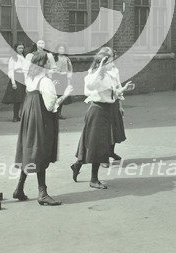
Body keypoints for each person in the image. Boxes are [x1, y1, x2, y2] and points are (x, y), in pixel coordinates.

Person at [13, 51, 72, 205]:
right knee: (40, 151)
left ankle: (19, 188)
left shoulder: (31, 77)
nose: (52, 65)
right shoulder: (45, 81)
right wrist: (65, 95)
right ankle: (42, 193)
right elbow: (50, 105)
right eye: (50, 62)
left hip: (29, 117)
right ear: (44, 64)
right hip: (42, 119)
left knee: (29, 150)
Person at [70, 49, 134, 189]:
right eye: (109, 61)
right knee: (96, 145)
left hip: (107, 110)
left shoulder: (109, 75)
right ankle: (93, 180)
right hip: (97, 110)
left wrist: (124, 89)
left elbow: (113, 93)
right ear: (102, 63)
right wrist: (99, 68)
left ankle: (77, 165)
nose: (112, 63)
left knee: (94, 143)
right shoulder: (94, 75)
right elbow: (90, 86)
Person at [2, 43, 28, 122]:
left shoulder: (23, 57)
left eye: (22, 48)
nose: (21, 50)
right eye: (19, 48)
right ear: (16, 49)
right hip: (16, 78)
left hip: (23, 78)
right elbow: (11, 70)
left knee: (22, 98)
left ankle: (20, 116)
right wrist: (13, 82)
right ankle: (15, 116)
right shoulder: (13, 58)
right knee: (17, 99)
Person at [52, 44, 73, 120]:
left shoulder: (66, 58)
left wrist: (69, 78)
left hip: (64, 77)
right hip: (56, 77)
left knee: (62, 95)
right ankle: (53, 112)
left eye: (62, 49)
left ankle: (59, 113)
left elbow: (70, 69)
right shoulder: (54, 58)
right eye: (60, 49)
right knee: (55, 95)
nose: (61, 50)